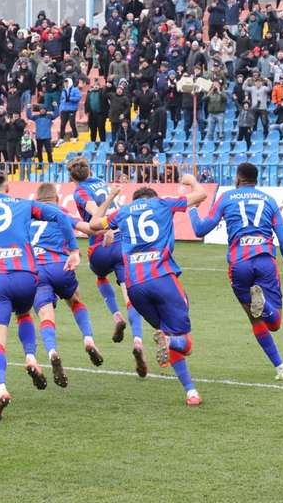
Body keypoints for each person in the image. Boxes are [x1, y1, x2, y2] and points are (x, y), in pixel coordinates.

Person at [0, 168, 80, 421]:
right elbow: (59, 216)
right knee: (24, 312)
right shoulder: (25, 205)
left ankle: (0, 389)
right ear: (7, 187)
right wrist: (74, 250)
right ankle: (30, 357)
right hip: (26, 276)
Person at [89, 174, 209, 406]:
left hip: (135, 287)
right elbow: (202, 195)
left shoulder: (123, 212)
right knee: (182, 341)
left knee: (168, 332)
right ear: (153, 197)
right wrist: (192, 182)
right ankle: (171, 344)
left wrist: (111, 197)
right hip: (163, 278)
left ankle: (191, 392)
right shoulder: (163, 203)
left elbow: (94, 225)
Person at [189, 162, 283, 381]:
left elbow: (201, 229)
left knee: (255, 320)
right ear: (256, 180)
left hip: (238, 264)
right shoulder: (269, 200)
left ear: (238, 179)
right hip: (265, 260)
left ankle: (280, 367)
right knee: (274, 323)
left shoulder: (227, 198)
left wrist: (191, 210)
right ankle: (265, 309)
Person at [68, 157, 148, 377]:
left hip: (101, 245)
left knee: (101, 277)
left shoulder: (80, 192)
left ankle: (116, 316)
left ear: (71, 177)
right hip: (122, 242)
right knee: (129, 295)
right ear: (90, 169)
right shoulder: (101, 182)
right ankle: (139, 341)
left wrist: (104, 230)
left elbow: (96, 214)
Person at [30, 182, 104, 375]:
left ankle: (52, 351)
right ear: (56, 199)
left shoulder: (26, 216)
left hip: (35, 269)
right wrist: (108, 227)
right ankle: (88, 339)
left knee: (45, 316)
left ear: (36, 201)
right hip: (60, 266)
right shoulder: (60, 212)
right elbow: (89, 229)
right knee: (76, 302)